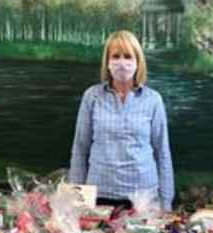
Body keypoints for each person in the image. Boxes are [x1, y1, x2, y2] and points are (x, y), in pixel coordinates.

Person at [68, 30, 174, 212]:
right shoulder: (92, 97)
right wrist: (76, 203)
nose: (122, 63)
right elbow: (80, 149)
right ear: (107, 62)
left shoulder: (153, 100)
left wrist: (166, 203)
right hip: (100, 197)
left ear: (138, 61)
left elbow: (162, 153)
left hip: (144, 199)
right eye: (116, 56)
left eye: (128, 56)